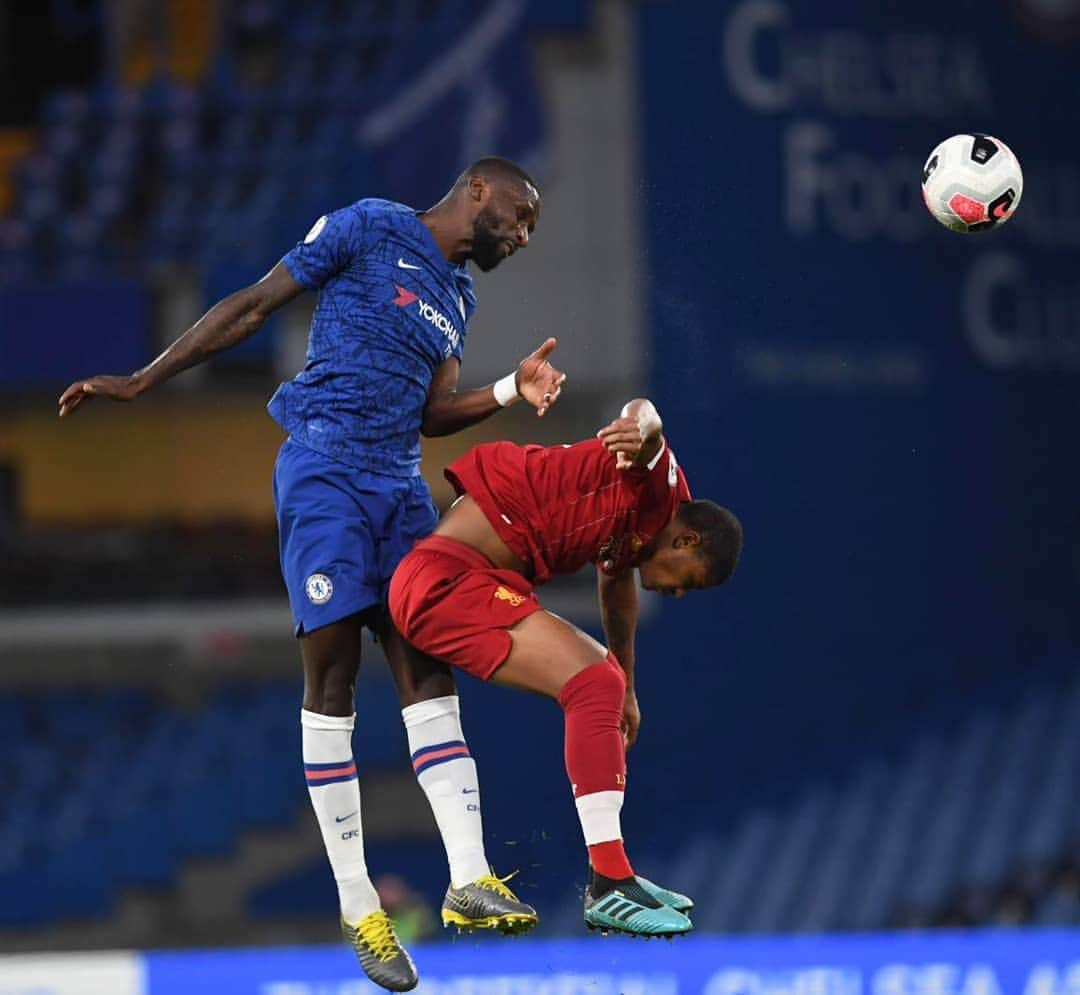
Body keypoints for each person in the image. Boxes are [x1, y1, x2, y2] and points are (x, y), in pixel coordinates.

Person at [58, 157, 565, 991]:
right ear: (477, 189)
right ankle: (358, 902)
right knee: (330, 672)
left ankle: (470, 874)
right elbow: (256, 303)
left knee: (426, 662)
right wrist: (144, 378)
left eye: (532, 228)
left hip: (402, 489)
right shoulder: (367, 225)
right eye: (519, 213)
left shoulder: (459, 300)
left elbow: (435, 413)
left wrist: (512, 387)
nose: (521, 233)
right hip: (326, 469)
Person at [389, 397, 743, 938]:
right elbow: (648, 421)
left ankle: (611, 877)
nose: (676, 591)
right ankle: (609, 879)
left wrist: (626, 684)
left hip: (473, 582)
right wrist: (636, 425)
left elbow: (614, 577)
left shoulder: (642, 528)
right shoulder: (659, 486)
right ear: (687, 539)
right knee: (592, 682)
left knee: (603, 681)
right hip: (445, 581)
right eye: (688, 579)